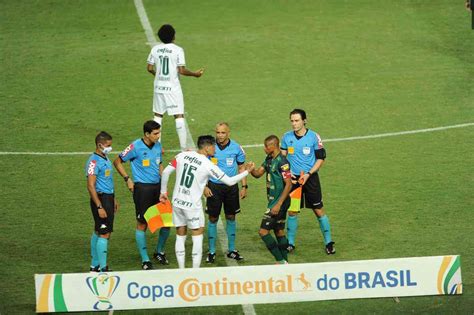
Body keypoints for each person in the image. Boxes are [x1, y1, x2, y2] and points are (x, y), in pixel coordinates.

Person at [159, 135, 254, 269]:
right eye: (214, 146)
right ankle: (195, 272)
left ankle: (181, 270)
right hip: (192, 206)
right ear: (208, 148)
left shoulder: (182, 155)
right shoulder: (207, 164)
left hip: (177, 202)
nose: (215, 148)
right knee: (197, 236)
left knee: (180, 234)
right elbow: (230, 181)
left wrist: (163, 192)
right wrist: (247, 172)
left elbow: (166, 173)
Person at [113, 120, 170, 270]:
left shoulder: (158, 145)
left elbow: (159, 164)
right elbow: (117, 161)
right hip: (142, 190)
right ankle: (145, 260)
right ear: (146, 134)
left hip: (158, 188)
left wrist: (163, 186)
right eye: (156, 133)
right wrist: (127, 179)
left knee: (166, 222)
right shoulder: (134, 147)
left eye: (159, 133)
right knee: (142, 224)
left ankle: (159, 251)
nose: (158, 136)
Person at [281, 109, 335, 255]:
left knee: (318, 210)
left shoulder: (313, 137)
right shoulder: (286, 137)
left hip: (310, 179)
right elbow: (282, 159)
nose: (294, 123)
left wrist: (309, 174)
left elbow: (321, 158)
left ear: (304, 120)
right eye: (292, 121)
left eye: (297, 120)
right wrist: (288, 175)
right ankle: (290, 243)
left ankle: (329, 242)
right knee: (292, 212)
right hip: (294, 181)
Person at [147, 24, 204, 151]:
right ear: (173, 36)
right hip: (172, 88)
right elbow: (182, 70)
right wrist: (195, 74)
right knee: (178, 116)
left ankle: (157, 146)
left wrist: (158, 76)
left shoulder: (155, 49)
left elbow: (150, 68)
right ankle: (184, 148)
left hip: (158, 88)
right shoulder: (178, 50)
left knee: (158, 115)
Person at [203, 122, 247, 263]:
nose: (220, 135)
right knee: (213, 218)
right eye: (218, 132)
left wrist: (244, 186)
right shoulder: (210, 147)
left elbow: (241, 167)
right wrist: (205, 186)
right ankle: (211, 251)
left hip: (231, 187)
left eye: (223, 132)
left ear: (228, 133)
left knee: (231, 217)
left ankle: (232, 249)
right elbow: (201, 167)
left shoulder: (236, 148)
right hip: (214, 187)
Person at [250, 135, 292, 264]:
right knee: (279, 231)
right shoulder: (269, 159)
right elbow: (258, 174)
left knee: (263, 232)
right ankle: (285, 262)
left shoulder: (283, 162)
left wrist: (278, 204)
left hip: (279, 202)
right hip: (274, 201)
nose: (264, 149)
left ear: (273, 146)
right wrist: (251, 170)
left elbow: (289, 184)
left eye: (266, 146)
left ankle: (280, 260)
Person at [85, 131, 119, 272]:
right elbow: (90, 185)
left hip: (108, 198)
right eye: (108, 145)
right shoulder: (93, 162)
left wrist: (113, 198)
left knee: (99, 230)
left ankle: (95, 265)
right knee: (104, 233)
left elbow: (107, 181)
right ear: (100, 145)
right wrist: (99, 206)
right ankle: (103, 268)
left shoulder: (105, 158)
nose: (110, 148)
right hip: (101, 200)